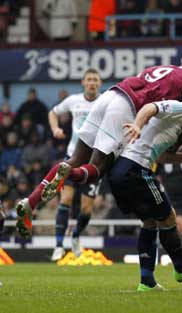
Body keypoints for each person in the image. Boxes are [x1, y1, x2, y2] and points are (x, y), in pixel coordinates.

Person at [15, 49, 182, 239]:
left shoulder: (162, 68)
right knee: (96, 170)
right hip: (126, 109)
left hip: (110, 95)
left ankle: (30, 202)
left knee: (75, 159)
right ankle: (68, 173)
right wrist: (178, 144)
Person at [107, 94, 182, 291]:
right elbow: (150, 107)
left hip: (119, 172)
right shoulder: (181, 109)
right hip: (136, 168)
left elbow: (162, 156)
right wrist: (138, 125)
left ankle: (147, 282)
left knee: (150, 221)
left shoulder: (177, 127)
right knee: (168, 217)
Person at [48, 69, 103, 261]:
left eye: (95, 80)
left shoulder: (106, 101)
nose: (92, 83)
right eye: (89, 79)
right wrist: (55, 129)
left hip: (95, 161)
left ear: (100, 83)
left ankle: (76, 235)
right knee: (66, 199)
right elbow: (53, 113)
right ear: (83, 82)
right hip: (72, 157)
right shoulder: (73, 100)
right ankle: (58, 245)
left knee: (87, 209)